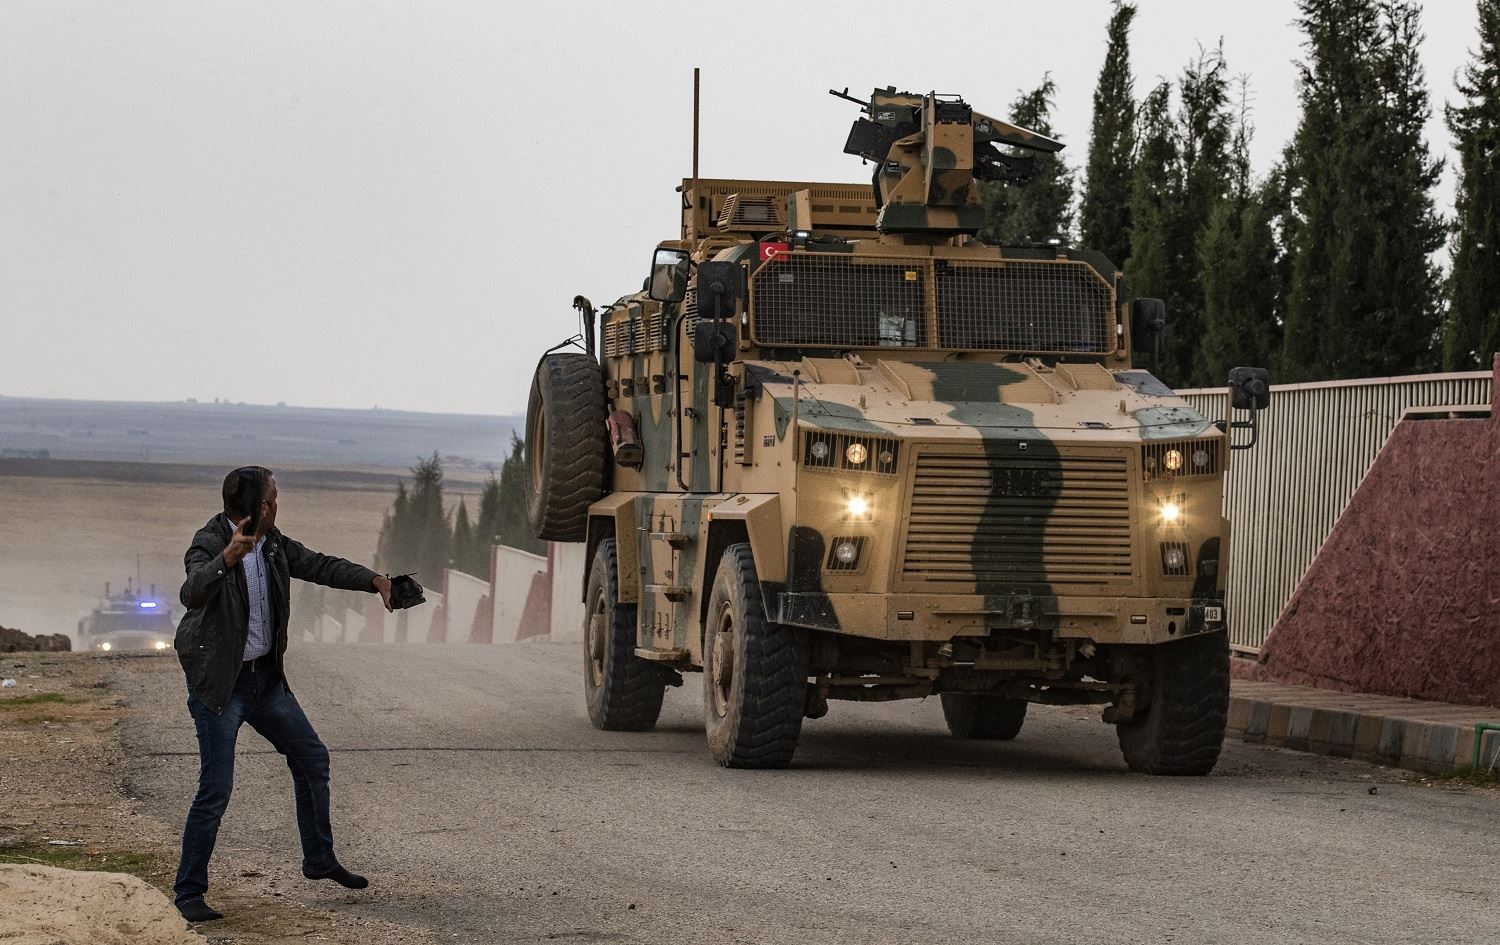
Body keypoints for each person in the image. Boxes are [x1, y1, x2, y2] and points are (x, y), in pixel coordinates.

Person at [171, 466, 393, 923]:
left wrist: (375, 581)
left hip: (266, 684)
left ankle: (319, 859)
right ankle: (188, 893)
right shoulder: (209, 542)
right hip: (221, 687)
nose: (278, 503)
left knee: (312, 760)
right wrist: (227, 558)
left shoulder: (272, 543)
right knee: (215, 789)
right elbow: (191, 592)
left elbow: (320, 565)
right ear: (263, 506)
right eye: (274, 496)